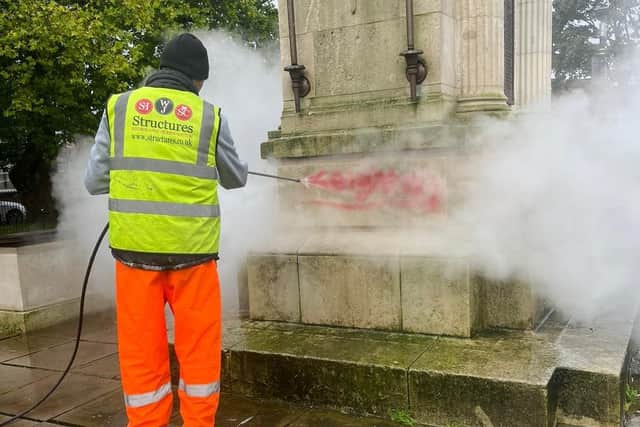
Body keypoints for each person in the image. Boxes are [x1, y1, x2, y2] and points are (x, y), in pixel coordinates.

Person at [84, 33, 248, 427]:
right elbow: (236, 178)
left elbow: (93, 181)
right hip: (194, 259)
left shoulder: (120, 109)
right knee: (199, 355)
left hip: (134, 257)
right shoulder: (208, 116)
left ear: (160, 71)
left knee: (142, 357)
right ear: (198, 79)